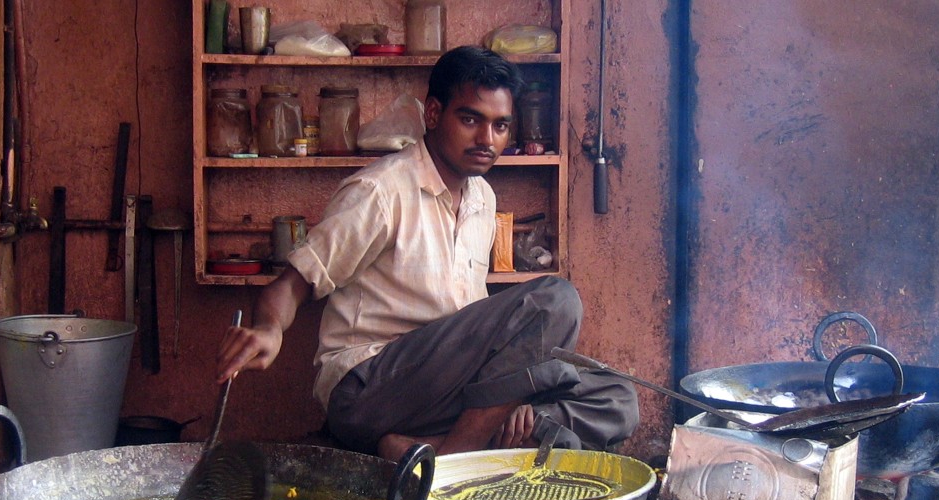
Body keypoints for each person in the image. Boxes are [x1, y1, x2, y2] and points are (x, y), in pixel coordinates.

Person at [217, 46, 638, 461]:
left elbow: (472, 334)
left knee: (616, 398)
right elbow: (290, 285)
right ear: (434, 114)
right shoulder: (380, 192)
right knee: (556, 300)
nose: (486, 139)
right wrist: (269, 329)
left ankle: (428, 447)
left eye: (500, 126)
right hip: (371, 388)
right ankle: (459, 457)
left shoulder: (482, 199)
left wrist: (516, 394)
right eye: (471, 119)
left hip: (448, 393)